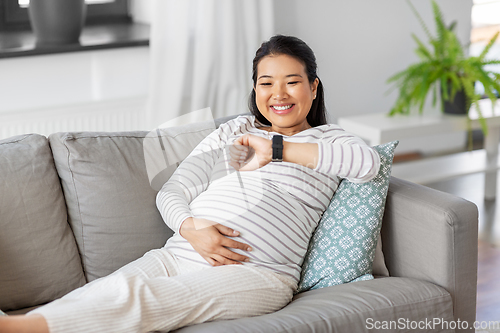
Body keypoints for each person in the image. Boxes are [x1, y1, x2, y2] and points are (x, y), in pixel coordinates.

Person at [0, 35, 380, 333]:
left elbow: (367, 164)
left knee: (140, 299)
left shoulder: (331, 140)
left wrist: (276, 149)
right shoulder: (235, 130)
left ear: (313, 88)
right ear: (255, 90)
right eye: (266, 83)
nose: (278, 94)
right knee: (97, 294)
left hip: (257, 273)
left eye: (292, 82)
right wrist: (191, 228)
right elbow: (174, 190)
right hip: (178, 253)